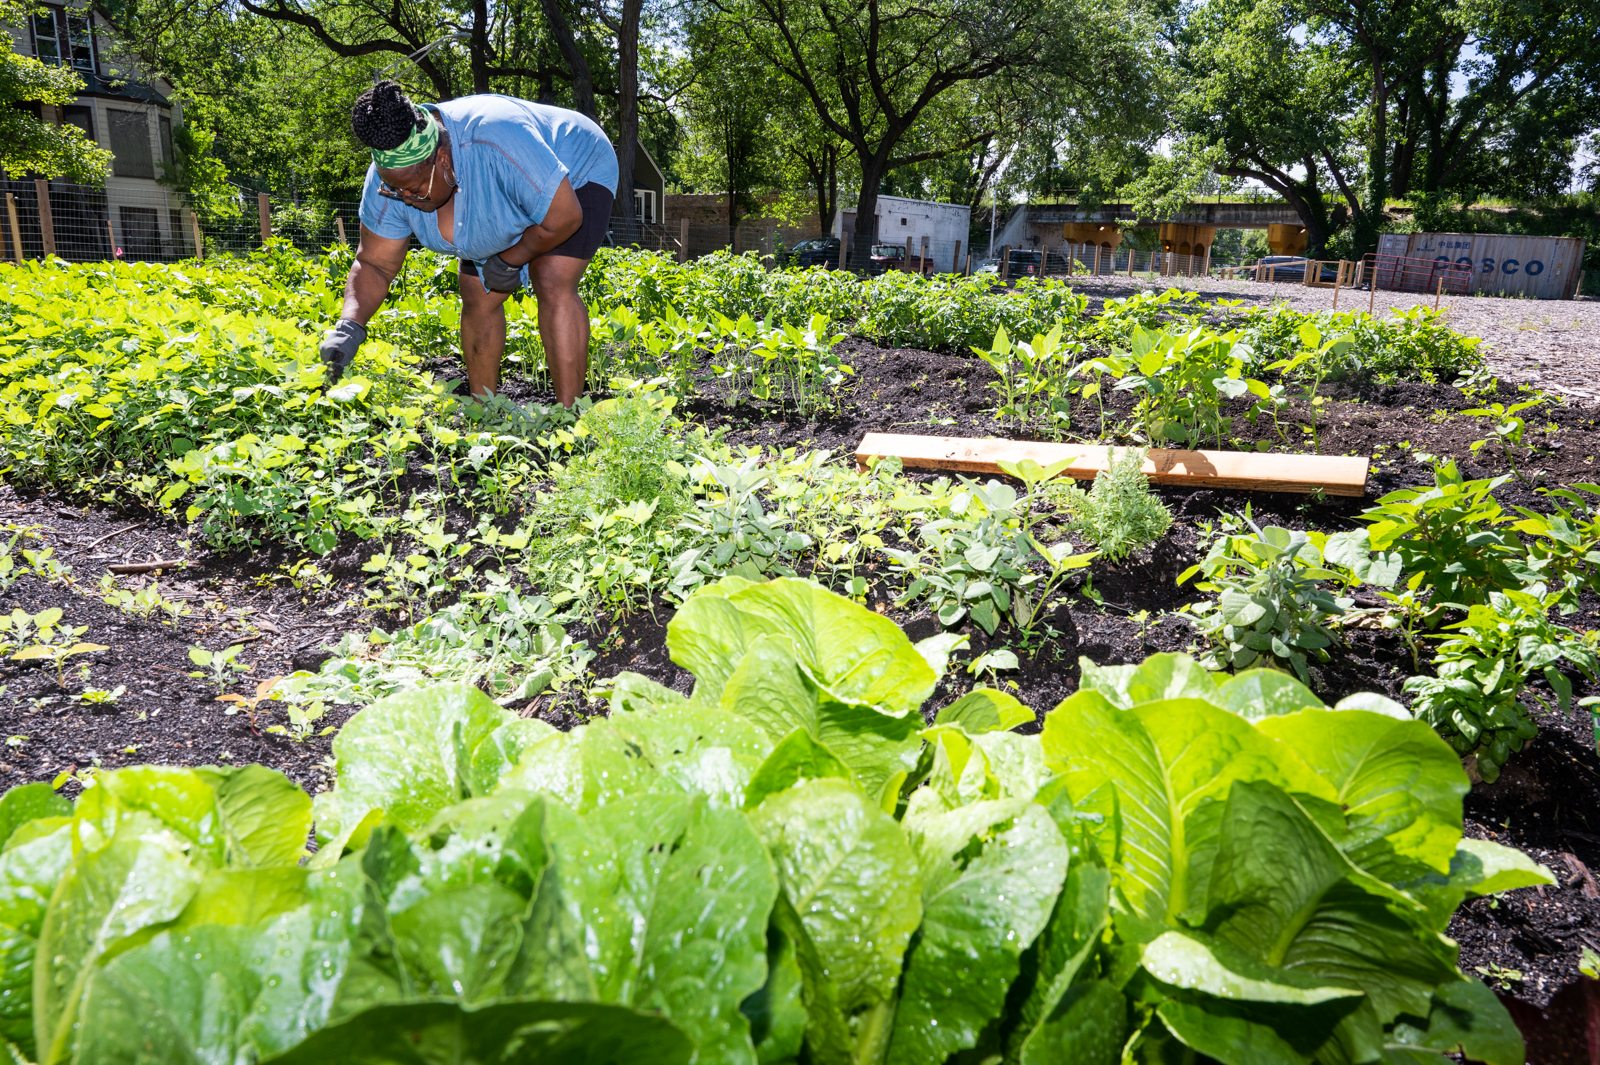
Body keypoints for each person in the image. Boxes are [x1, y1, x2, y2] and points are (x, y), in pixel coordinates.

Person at [319, 81, 618, 407]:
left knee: (550, 277)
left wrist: (512, 259)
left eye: (414, 190)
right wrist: (350, 325)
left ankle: (569, 418)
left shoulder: (496, 137)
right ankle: (484, 412)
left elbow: (563, 218)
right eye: (395, 190)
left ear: (444, 160)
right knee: (477, 293)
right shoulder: (390, 182)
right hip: (506, 190)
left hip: (576, 166)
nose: (404, 198)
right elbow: (375, 264)